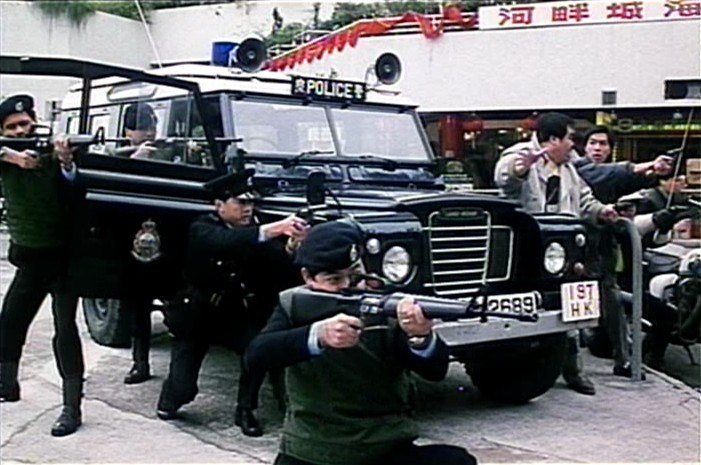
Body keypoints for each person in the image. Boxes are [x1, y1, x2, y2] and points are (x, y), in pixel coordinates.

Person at [246, 220, 477, 465]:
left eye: (356, 277)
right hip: (314, 449)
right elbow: (256, 356)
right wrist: (317, 335)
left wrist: (420, 336)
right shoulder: (294, 305)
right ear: (308, 277)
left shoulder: (387, 304)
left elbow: (436, 370)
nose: (348, 288)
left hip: (384, 444)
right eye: (334, 281)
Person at [156, 173, 307, 437]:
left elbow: (278, 264)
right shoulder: (202, 228)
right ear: (219, 206)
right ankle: (171, 399)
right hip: (197, 316)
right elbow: (223, 243)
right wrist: (276, 229)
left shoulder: (254, 232)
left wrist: (292, 247)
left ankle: (245, 408)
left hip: (232, 315)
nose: (248, 208)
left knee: (257, 349)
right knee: (183, 389)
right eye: (240, 202)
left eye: (251, 203)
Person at [494, 112, 618, 396]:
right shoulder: (520, 155)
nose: (573, 146)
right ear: (553, 140)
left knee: (572, 304)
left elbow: (584, 198)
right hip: (528, 251)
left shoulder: (569, 169)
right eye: (569, 139)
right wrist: (519, 169)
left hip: (563, 251)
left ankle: (574, 370)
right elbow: (505, 178)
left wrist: (603, 211)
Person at [0, 94, 85, 436]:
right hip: (30, 257)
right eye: (12, 127)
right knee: (9, 323)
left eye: (25, 124)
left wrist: (64, 161)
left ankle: (71, 408)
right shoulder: (6, 156)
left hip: (64, 257)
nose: (22, 130)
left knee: (65, 330)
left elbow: (77, 188)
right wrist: (11, 156)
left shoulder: (53, 151)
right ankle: (7, 386)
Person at [573, 126, 672, 378]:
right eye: (593, 143)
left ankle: (624, 361)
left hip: (604, 248)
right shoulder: (577, 169)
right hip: (575, 248)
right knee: (572, 308)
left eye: (603, 144)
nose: (597, 148)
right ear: (584, 146)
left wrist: (622, 210)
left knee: (613, 301)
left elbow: (623, 180)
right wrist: (643, 165)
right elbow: (601, 175)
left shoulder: (610, 174)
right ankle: (572, 368)